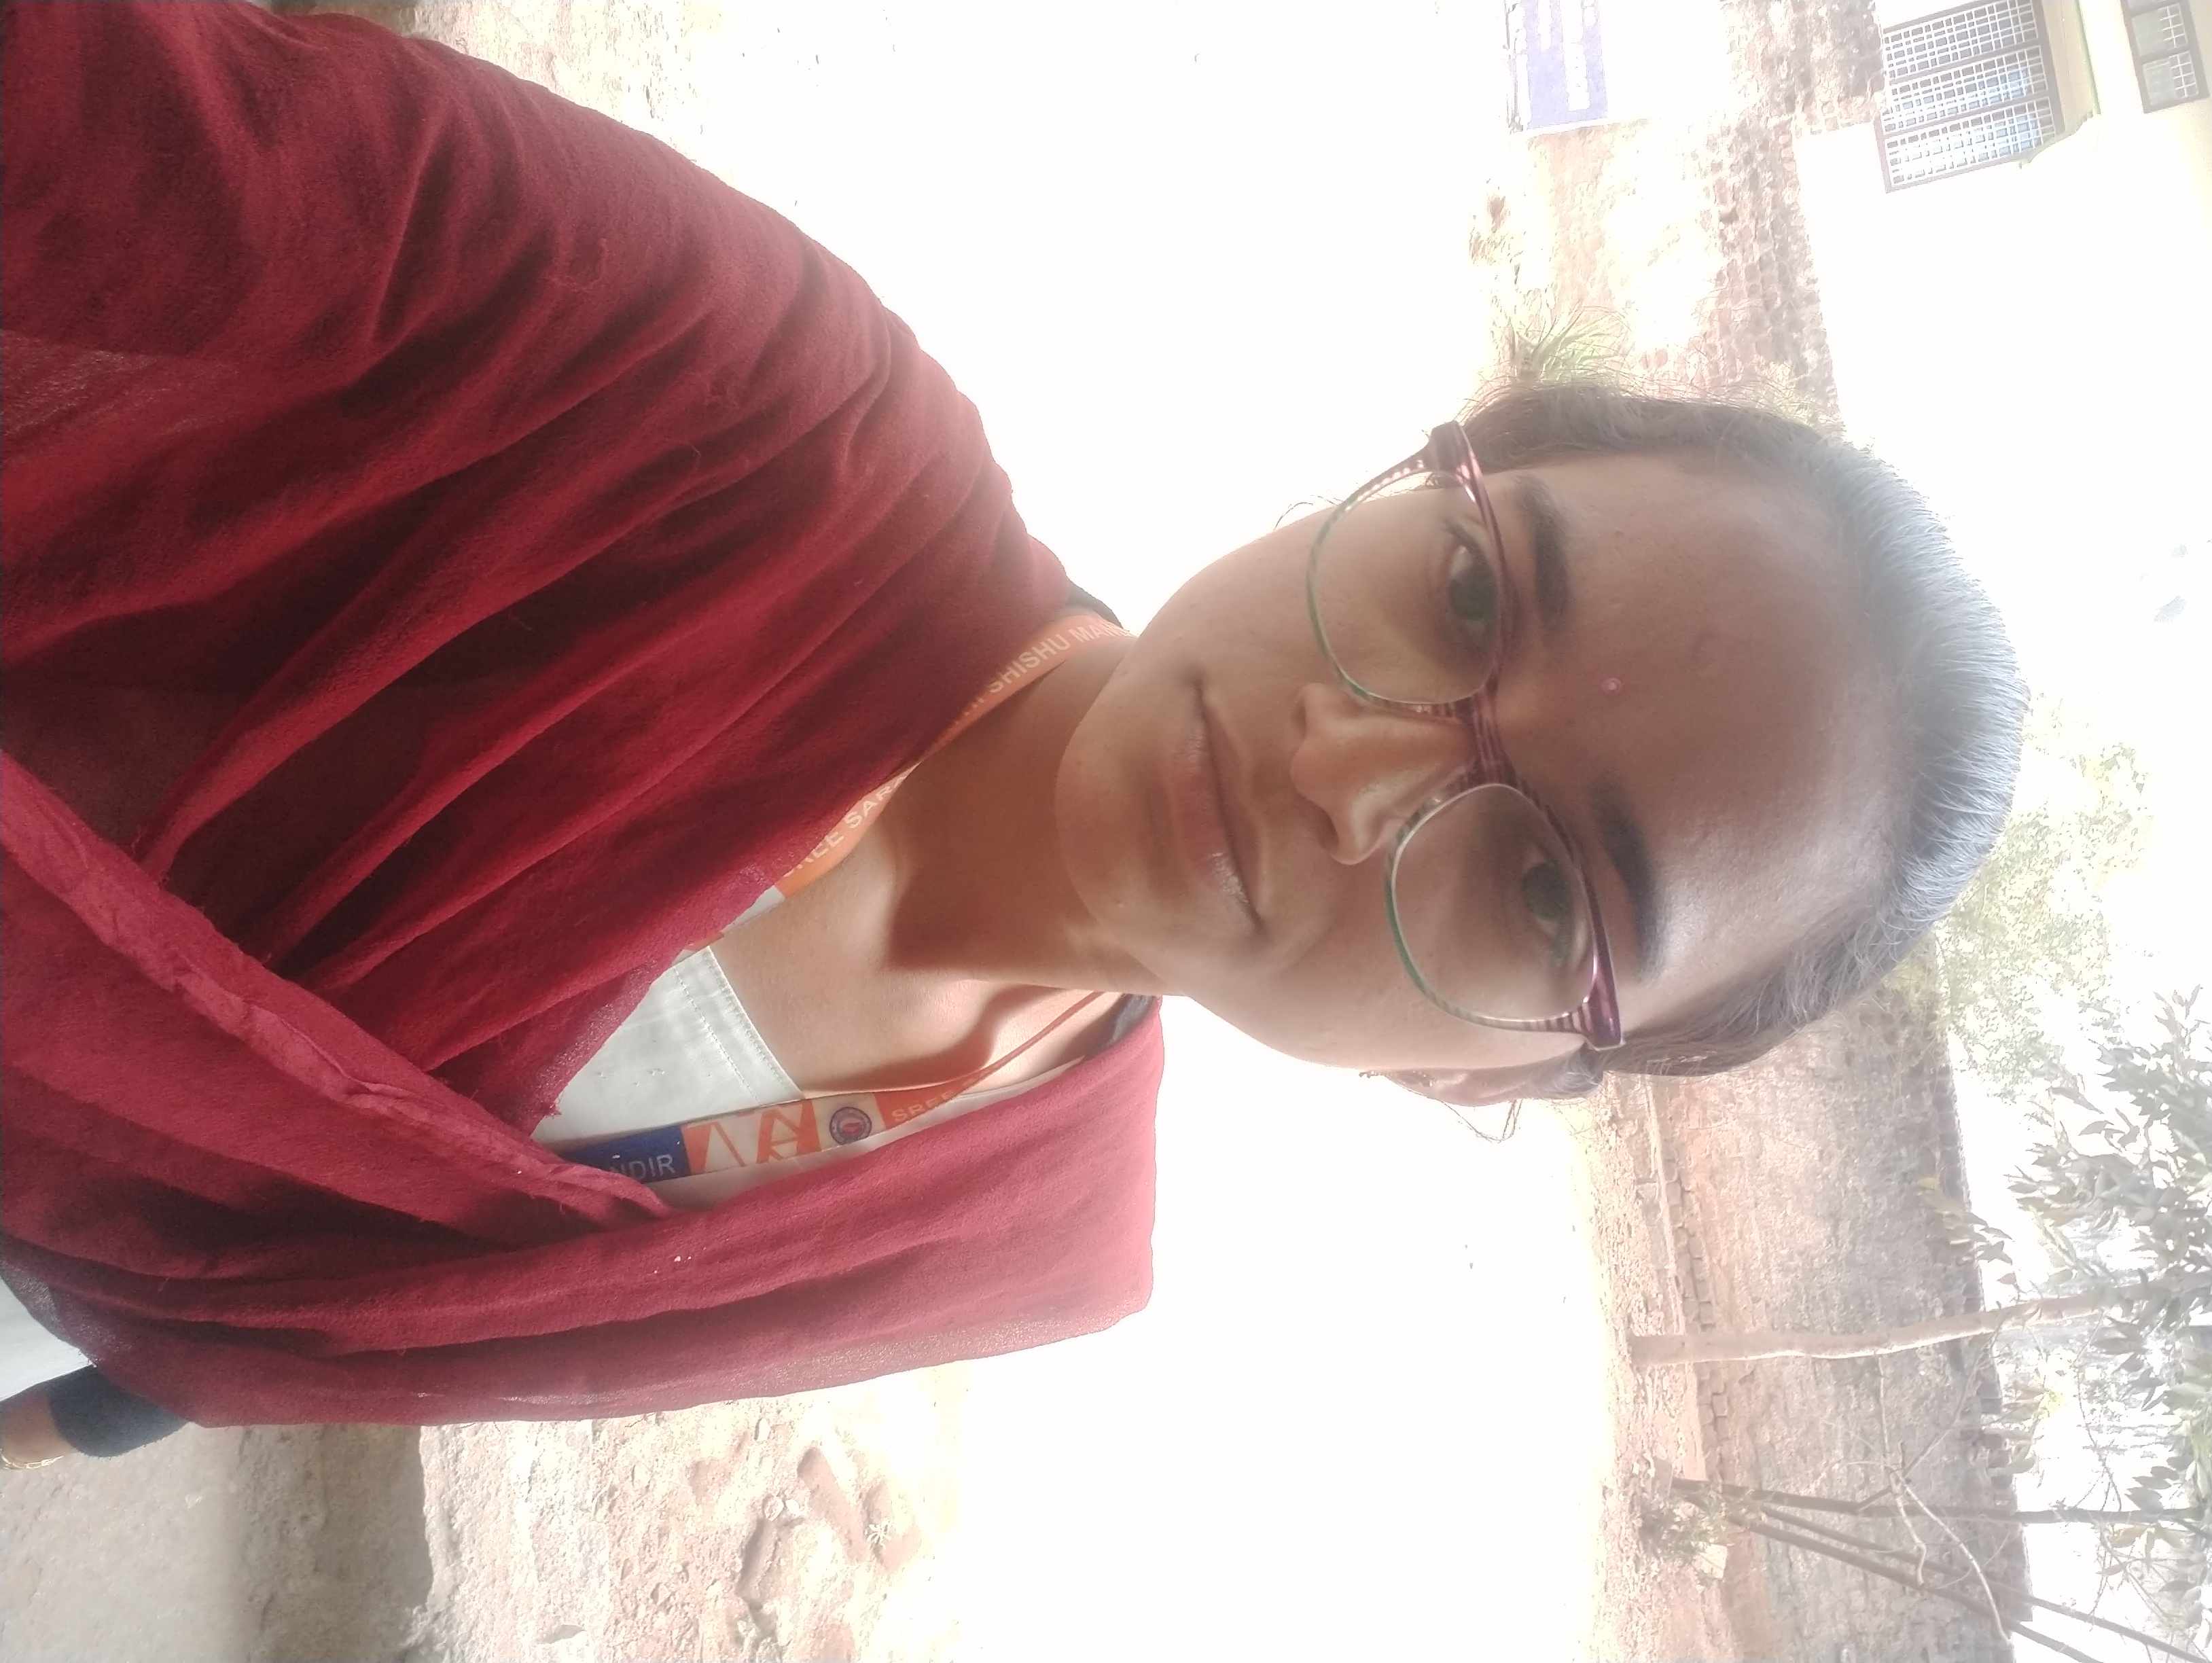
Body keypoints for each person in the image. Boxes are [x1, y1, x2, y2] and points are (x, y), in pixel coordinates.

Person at [0, 0, 2024, 1468]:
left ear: (1484, 1071)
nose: (1345, 767)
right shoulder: (735, 405)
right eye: (1475, 596)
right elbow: (122, 144)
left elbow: (305, 1338)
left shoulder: (1033, 1235)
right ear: (1414, 477)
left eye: (1540, 886)